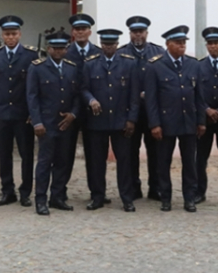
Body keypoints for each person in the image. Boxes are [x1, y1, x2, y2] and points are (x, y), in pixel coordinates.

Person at [145, 25, 205, 213]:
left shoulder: (194, 65)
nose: (182, 46)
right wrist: (154, 124)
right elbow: (151, 99)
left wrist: (201, 121)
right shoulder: (155, 66)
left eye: (183, 43)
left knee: (189, 163)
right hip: (165, 123)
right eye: (178, 43)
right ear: (168, 44)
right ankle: (165, 198)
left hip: (188, 122)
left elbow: (199, 96)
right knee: (163, 162)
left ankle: (189, 198)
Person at [82, 29, 139, 212]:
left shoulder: (128, 64)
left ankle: (127, 198)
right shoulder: (90, 64)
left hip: (121, 121)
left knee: (124, 162)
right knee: (97, 162)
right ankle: (97, 196)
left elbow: (134, 95)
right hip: (97, 122)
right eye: (105, 45)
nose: (109, 48)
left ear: (117, 45)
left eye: (112, 44)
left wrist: (131, 119)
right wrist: (91, 100)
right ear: (101, 45)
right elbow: (83, 89)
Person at [0, 15, 39, 207]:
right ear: (2, 35)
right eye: (7, 34)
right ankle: (7, 191)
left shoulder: (31, 55)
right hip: (2, 113)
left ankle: (25, 191)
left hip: (23, 114)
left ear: (20, 34)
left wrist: (33, 113)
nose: (10, 37)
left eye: (14, 34)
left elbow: (34, 88)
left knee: (26, 154)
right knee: (4, 155)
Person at [26, 30, 79, 215]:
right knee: (44, 163)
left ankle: (57, 196)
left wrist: (73, 114)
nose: (58, 51)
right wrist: (37, 123)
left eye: (62, 48)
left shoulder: (72, 67)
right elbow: (32, 97)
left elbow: (77, 95)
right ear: (48, 49)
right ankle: (41, 199)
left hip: (66, 124)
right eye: (55, 48)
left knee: (63, 162)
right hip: (46, 123)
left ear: (66, 49)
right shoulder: (37, 67)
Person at [118, 16, 164, 201]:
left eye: (141, 31)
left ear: (146, 33)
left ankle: (156, 188)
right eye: (134, 32)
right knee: (130, 151)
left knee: (155, 152)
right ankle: (134, 188)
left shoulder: (158, 52)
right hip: (130, 112)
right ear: (130, 33)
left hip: (153, 111)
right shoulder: (122, 53)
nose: (138, 35)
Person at [64, 13, 105, 203]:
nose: (80, 32)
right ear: (72, 32)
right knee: (65, 153)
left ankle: (97, 193)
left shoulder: (99, 52)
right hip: (69, 111)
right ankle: (59, 191)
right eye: (77, 29)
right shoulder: (64, 52)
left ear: (90, 31)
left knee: (95, 155)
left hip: (92, 112)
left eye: (84, 29)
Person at [196, 27, 218, 206]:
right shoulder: (199, 66)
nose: (213, 47)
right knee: (200, 158)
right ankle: (199, 192)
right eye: (210, 44)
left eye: (216, 43)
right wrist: (206, 109)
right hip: (203, 120)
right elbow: (195, 93)